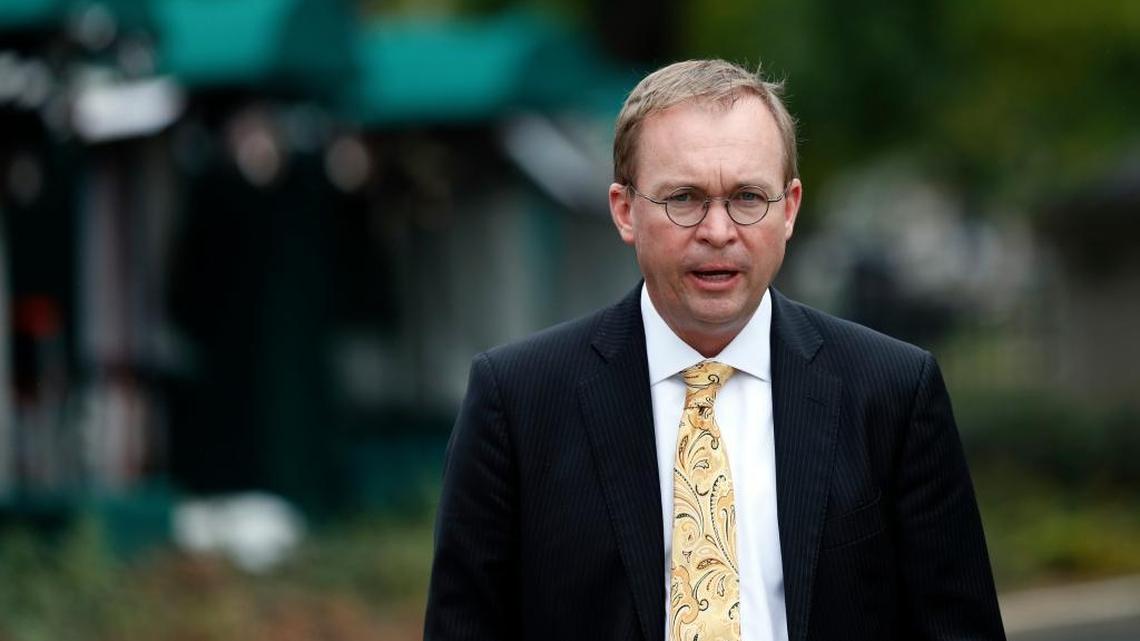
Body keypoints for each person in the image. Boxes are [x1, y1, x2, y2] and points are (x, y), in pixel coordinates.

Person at [424, 59, 1005, 641]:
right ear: (626, 211)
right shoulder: (519, 400)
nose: (719, 230)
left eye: (748, 197)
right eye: (685, 198)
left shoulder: (893, 391)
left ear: (790, 209)